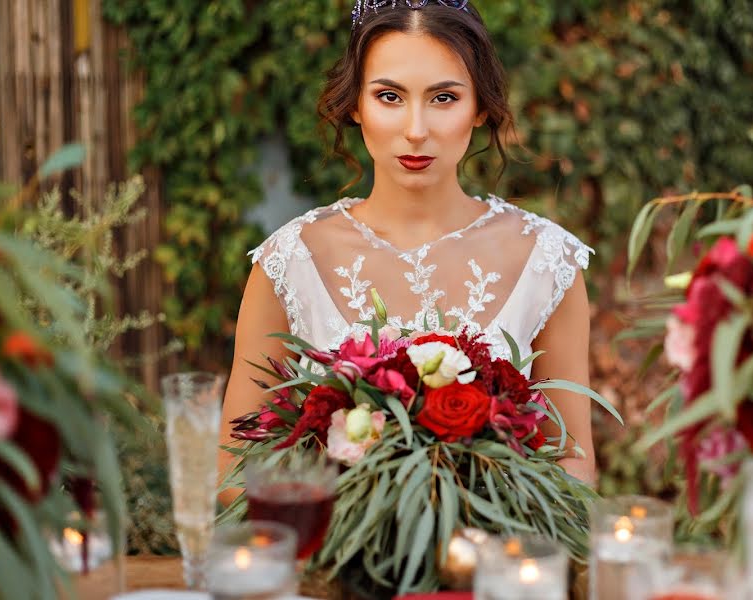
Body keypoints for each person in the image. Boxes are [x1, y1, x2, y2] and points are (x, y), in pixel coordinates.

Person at [218, 0, 595, 505]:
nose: (416, 129)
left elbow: (573, 463)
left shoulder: (548, 263)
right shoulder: (290, 261)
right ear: (356, 105)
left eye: (443, 98)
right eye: (390, 96)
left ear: (480, 107)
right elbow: (234, 470)